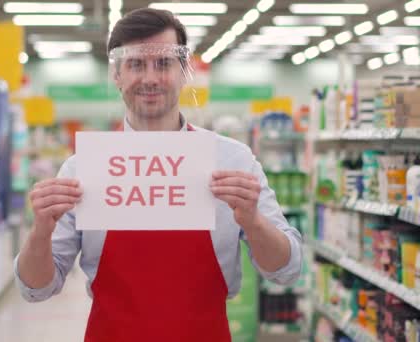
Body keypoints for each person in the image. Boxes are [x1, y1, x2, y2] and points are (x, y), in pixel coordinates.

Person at [15, 8, 302, 342]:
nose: (150, 78)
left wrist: (254, 222)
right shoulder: (83, 170)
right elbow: (36, 288)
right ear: (117, 75)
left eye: (163, 63)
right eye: (136, 64)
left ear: (184, 72)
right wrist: (40, 232)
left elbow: (288, 269)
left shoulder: (232, 160)